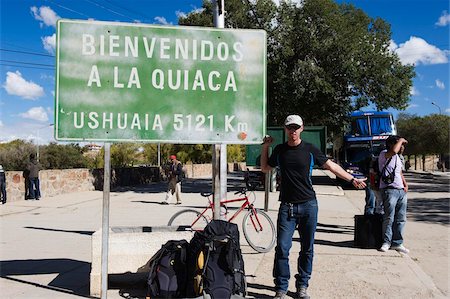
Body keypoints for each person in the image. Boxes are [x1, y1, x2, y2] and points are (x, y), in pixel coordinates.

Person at [261, 115, 367, 299]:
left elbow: (332, 167)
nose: (293, 131)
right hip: (287, 207)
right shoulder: (279, 150)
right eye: (289, 127)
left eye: (296, 127)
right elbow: (265, 168)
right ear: (285, 129)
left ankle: (302, 286)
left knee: (307, 248)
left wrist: (351, 179)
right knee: (282, 248)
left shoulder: (310, 149)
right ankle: (281, 287)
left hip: (309, 205)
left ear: (302, 128)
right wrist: (265, 148)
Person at [378, 136, 409, 254]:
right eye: (400, 144)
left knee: (400, 218)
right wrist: (401, 139)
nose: (402, 146)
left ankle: (397, 243)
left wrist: (405, 185)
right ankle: (386, 242)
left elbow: (399, 172)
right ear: (391, 144)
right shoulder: (384, 154)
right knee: (389, 217)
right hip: (389, 189)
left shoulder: (397, 157)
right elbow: (394, 151)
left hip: (400, 190)